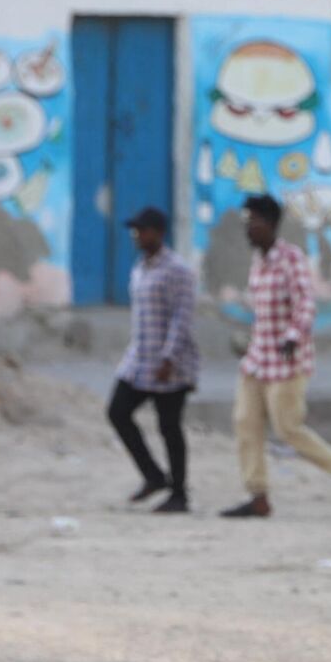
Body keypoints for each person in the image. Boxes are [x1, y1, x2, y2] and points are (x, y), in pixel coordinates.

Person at [220, 194, 331, 519]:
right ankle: (258, 495)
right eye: (246, 223)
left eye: (253, 223)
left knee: (288, 429)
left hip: (288, 361)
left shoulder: (291, 258)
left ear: (270, 224)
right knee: (245, 423)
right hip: (258, 358)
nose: (248, 230)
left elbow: (306, 303)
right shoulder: (258, 261)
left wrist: (291, 337)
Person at [108, 207, 198, 514]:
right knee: (118, 411)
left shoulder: (177, 270)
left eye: (142, 231)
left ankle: (179, 493)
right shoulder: (140, 268)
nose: (137, 237)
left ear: (158, 233)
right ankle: (153, 475)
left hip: (169, 364)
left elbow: (182, 316)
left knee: (169, 427)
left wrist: (170, 356)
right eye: (135, 231)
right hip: (140, 360)